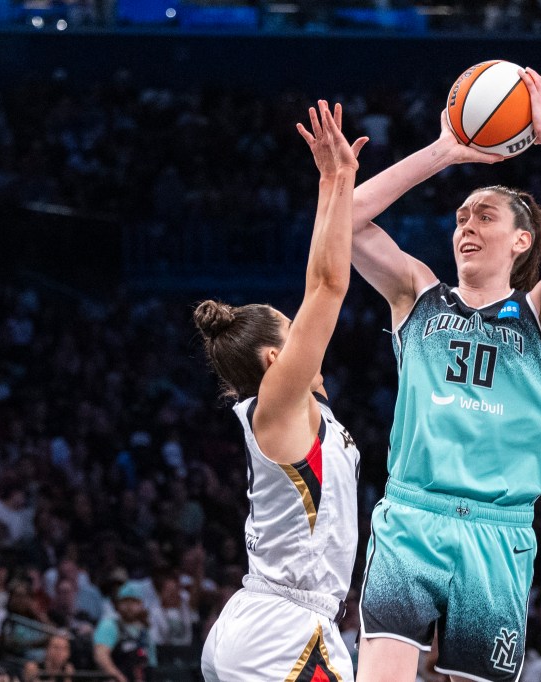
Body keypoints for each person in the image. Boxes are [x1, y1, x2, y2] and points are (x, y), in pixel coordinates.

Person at [352, 67, 541, 681]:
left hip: (496, 531)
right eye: (460, 217)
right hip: (412, 515)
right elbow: (343, 221)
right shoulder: (416, 294)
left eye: (484, 217)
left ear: (519, 241)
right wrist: (443, 151)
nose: (466, 227)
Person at [196, 102, 365, 681]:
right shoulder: (278, 402)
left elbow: (318, 276)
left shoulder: (288, 413)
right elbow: (328, 283)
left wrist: (328, 185)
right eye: (293, 333)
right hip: (282, 633)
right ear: (275, 358)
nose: (305, 336)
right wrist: (341, 182)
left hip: (272, 619)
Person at [94, 583, 157, 682]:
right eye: (125, 602)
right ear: (118, 604)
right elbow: (100, 655)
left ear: (141, 605)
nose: (129, 606)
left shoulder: (144, 631)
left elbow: (151, 664)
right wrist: (118, 677)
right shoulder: (110, 625)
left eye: (133, 602)